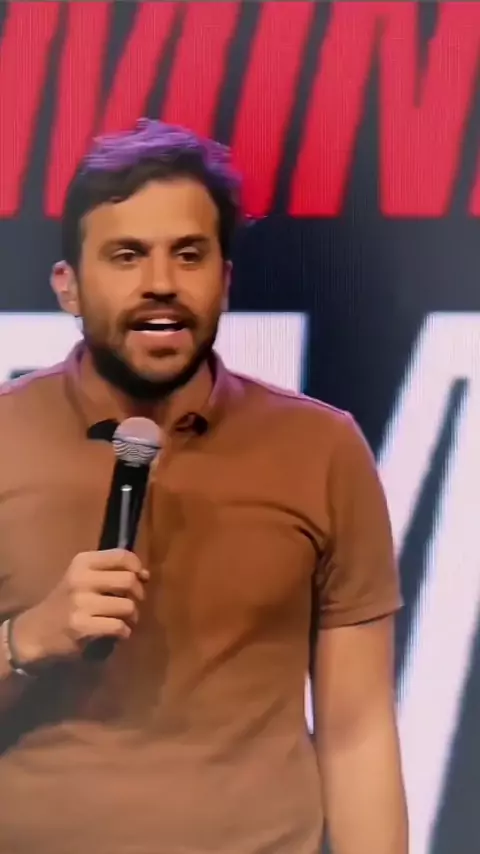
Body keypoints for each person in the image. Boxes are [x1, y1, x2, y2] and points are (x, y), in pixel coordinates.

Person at [0, 118, 408, 854]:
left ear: (224, 280)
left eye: (189, 255)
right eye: (126, 255)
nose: (161, 283)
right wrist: (28, 638)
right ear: (68, 286)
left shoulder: (321, 449)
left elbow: (357, 733)